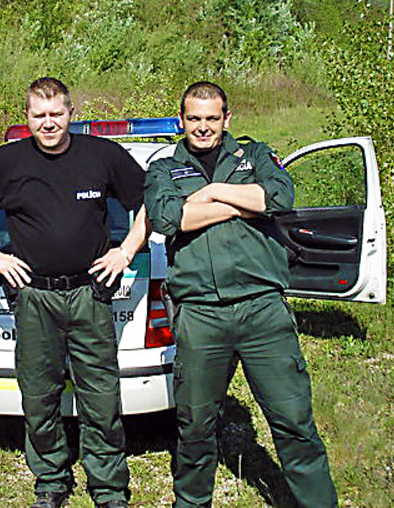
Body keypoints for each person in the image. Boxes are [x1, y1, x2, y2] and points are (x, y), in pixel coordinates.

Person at [0, 77, 148, 508]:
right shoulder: (8, 162)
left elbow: (151, 198)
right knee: (39, 398)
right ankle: (51, 481)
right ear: (28, 117)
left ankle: (109, 489)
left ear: (71, 113)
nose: (49, 123)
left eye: (57, 114)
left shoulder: (102, 155)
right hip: (33, 297)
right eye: (40, 115)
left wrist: (125, 251)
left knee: (101, 397)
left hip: (90, 293)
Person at [143, 81, 338, 508]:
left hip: (262, 311)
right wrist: (246, 202)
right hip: (201, 315)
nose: (203, 127)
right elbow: (166, 215)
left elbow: (280, 196)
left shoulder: (254, 155)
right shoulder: (164, 168)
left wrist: (211, 193)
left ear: (227, 119)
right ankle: (192, 503)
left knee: (293, 422)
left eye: (212, 118)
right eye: (194, 118)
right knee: (194, 426)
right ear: (181, 120)